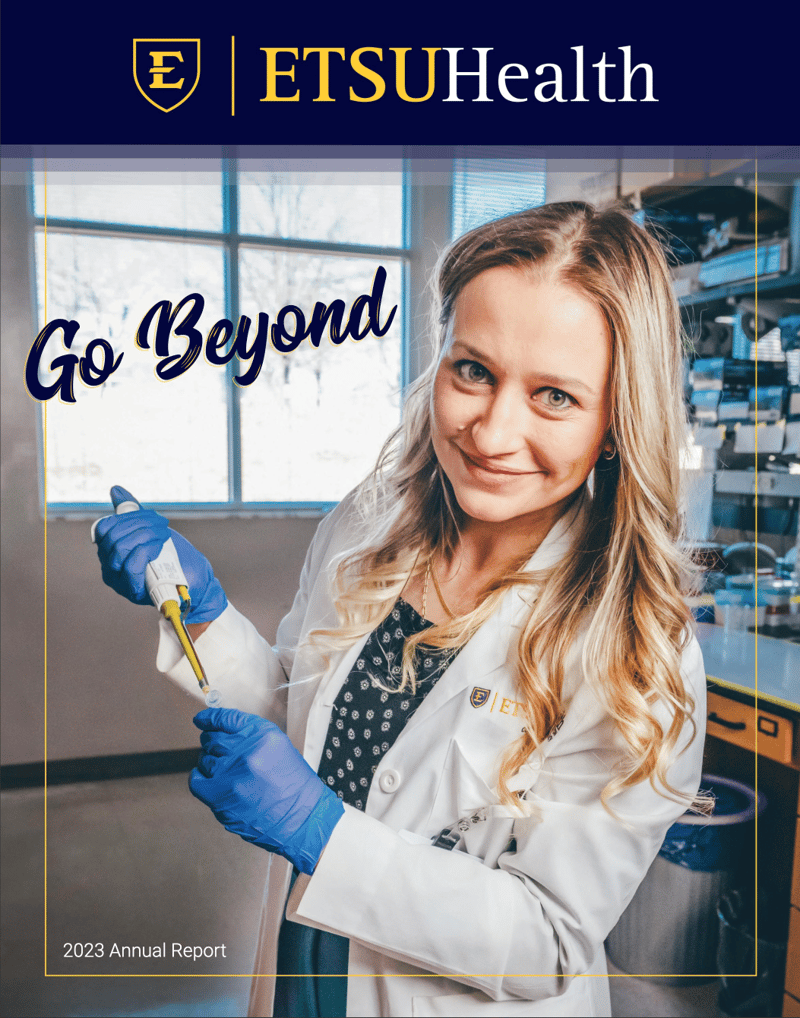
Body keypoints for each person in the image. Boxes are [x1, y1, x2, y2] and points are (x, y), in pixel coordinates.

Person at [95, 201, 708, 1018]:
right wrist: (200, 615)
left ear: (616, 422)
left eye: (555, 396)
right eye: (474, 370)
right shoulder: (371, 518)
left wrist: (325, 836)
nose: (493, 431)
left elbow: (549, 941)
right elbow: (306, 726)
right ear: (440, 361)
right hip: (309, 958)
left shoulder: (637, 648)